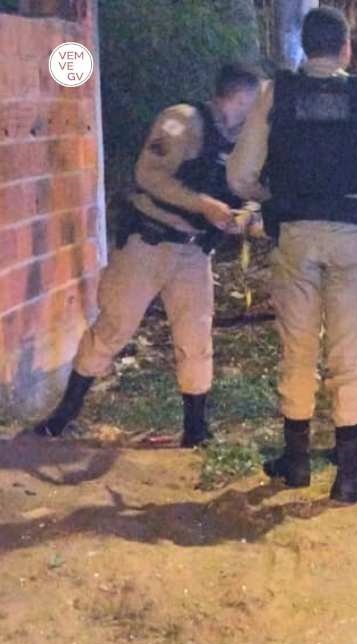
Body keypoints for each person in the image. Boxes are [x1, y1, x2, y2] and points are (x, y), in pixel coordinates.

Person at [228, 6, 357, 503]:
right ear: (346, 48)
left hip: (296, 237)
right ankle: (349, 475)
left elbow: (239, 176)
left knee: (298, 350)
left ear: (304, 47)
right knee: (347, 359)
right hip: (352, 237)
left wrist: (278, 197)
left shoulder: (275, 94)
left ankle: (296, 462)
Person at [31, 64, 262, 446]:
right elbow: (149, 175)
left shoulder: (243, 140)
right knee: (113, 329)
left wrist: (248, 214)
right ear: (238, 97)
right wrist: (203, 204)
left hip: (193, 253)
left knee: (196, 338)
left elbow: (250, 189)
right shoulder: (182, 122)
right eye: (255, 100)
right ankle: (62, 417)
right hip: (149, 244)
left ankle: (196, 431)